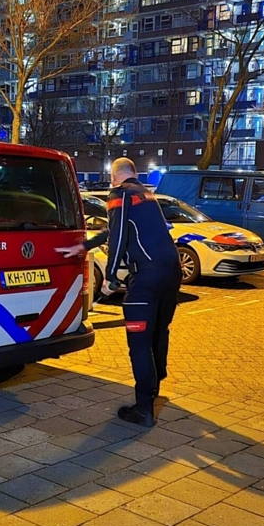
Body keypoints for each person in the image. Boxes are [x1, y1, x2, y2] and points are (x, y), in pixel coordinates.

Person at [57, 159, 180, 428]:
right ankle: (155, 387)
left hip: (146, 277)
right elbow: (116, 228)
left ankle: (143, 408)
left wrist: (110, 277)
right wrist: (84, 246)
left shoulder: (119, 195)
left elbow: (119, 235)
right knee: (159, 331)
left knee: (138, 342)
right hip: (171, 273)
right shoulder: (147, 195)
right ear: (134, 174)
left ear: (114, 177)